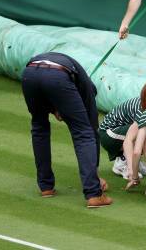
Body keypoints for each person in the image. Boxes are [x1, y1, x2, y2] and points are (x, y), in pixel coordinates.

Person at [21, 52, 113, 208]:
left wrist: (55, 107)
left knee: (39, 127)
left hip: (29, 73)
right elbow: (91, 130)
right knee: (84, 134)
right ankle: (93, 194)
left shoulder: (77, 79)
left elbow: (46, 87)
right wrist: (96, 177)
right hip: (57, 75)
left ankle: (46, 187)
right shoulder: (88, 91)